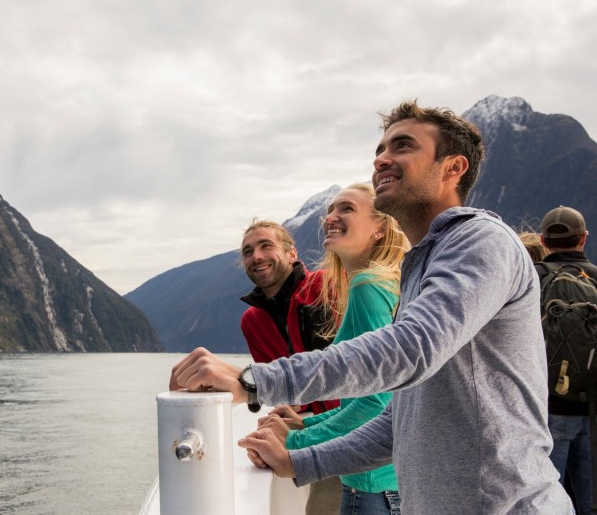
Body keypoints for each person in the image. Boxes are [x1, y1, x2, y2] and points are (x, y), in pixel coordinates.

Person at [169, 101, 573, 514]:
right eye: (380, 150)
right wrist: (300, 461)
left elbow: (410, 348)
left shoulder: (480, 241)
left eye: (402, 146)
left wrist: (255, 381)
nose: (381, 159)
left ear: (453, 168)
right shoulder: (421, 270)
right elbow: (401, 421)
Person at [259, 183, 408, 514]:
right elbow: (369, 397)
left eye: (347, 209)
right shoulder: (387, 283)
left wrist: (295, 444)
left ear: (381, 229)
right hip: (391, 482)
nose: (331, 217)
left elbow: (376, 401)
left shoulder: (368, 287)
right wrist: (306, 424)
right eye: (330, 211)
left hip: (371, 485)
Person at [239, 219, 340, 514]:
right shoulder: (252, 322)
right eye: (248, 251)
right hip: (318, 434)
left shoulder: (326, 287)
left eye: (265, 246)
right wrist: (288, 418)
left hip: (355, 427)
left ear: (291, 253)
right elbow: (284, 388)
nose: (256, 256)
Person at [537, 206, 597, 515]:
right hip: (591, 409)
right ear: (584, 239)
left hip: (548, 408)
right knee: (589, 503)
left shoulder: (534, 277)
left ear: (543, 241)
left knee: (546, 501)